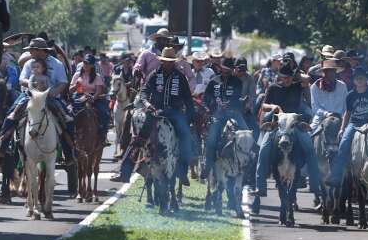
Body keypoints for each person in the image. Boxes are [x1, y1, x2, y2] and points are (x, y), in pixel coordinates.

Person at [111, 47, 195, 184]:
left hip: (174, 112)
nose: (167, 64)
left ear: (173, 62)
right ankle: (125, 172)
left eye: (170, 62)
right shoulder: (154, 74)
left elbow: (188, 99)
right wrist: (147, 104)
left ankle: (182, 172)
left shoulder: (180, 77)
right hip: (155, 111)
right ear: (161, 61)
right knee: (138, 139)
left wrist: (190, 117)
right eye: (165, 61)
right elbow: (144, 92)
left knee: (185, 138)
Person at [0, 38, 75, 164]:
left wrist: (54, 92)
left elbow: (63, 82)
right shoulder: (29, 63)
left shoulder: (57, 64)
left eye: (31, 50)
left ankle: (70, 152)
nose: (30, 53)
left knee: (67, 118)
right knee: (11, 116)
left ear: (40, 51)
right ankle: (2, 144)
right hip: (29, 95)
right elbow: (21, 79)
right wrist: (31, 83)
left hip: (50, 96)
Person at [252, 63, 321, 197]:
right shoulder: (273, 88)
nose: (287, 80)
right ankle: (260, 187)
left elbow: (307, 79)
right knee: (263, 151)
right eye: (284, 77)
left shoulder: (297, 86)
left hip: (294, 123)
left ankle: (314, 185)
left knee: (310, 149)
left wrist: (297, 74)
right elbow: (264, 105)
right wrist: (275, 107)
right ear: (280, 77)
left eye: (289, 77)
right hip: (278, 123)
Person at [326, 67, 368, 187]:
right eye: (357, 78)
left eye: (362, 77)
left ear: (366, 79)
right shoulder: (350, 95)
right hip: (354, 124)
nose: (359, 80)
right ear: (354, 80)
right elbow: (347, 113)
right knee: (344, 143)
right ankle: (336, 176)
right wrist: (342, 128)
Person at [202, 57, 249, 178]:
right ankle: (208, 164)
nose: (226, 72)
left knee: (247, 133)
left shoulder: (237, 82)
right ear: (220, 68)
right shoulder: (214, 81)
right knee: (212, 138)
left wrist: (234, 103)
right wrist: (208, 109)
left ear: (233, 70)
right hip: (218, 115)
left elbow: (238, 98)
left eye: (229, 70)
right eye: (224, 69)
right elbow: (205, 99)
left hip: (234, 113)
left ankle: (249, 164)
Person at [70, 54, 110, 136]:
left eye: (88, 63)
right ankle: (70, 133)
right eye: (84, 62)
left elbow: (99, 90)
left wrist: (93, 98)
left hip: (94, 97)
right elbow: (70, 89)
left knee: (104, 113)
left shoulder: (97, 76)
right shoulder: (77, 75)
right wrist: (76, 85)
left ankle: (102, 135)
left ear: (92, 65)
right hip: (79, 96)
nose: (85, 65)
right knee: (69, 113)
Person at [310, 59, 348, 132]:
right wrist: (326, 114)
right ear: (324, 73)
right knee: (310, 133)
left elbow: (346, 106)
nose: (331, 74)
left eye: (333, 71)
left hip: (339, 117)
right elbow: (315, 107)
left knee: (349, 135)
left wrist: (343, 118)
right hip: (321, 117)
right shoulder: (315, 87)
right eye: (328, 72)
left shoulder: (342, 86)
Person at [235, 57, 259, 139]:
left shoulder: (249, 78)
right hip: (230, 109)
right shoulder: (229, 77)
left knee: (256, 130)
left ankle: (253, 149)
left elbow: (253, 95)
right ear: (235, 68)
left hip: (245, 109)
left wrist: (248, 106)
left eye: (243, 70)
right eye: (240, 70)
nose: (242, 72)